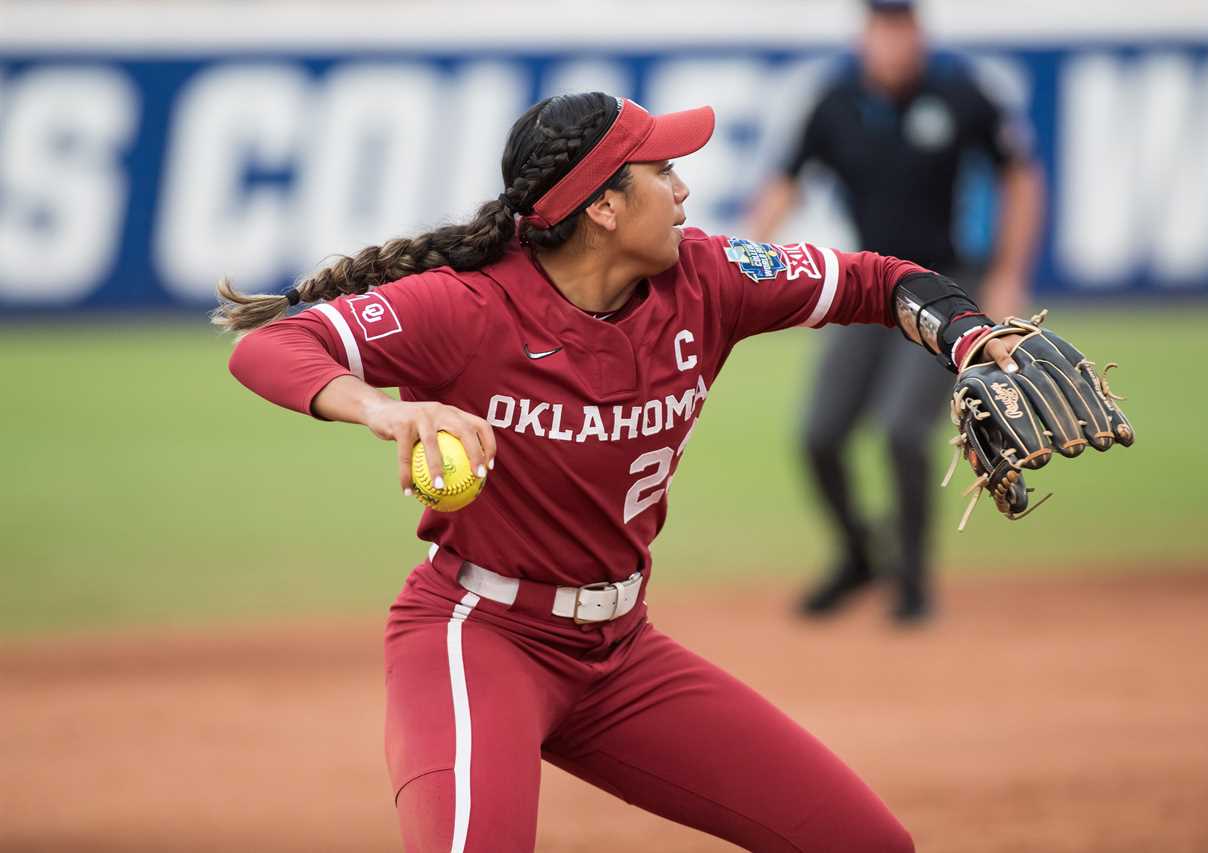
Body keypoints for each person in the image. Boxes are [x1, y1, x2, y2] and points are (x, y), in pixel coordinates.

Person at [216, 92, 1035, 853]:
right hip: (479, 639)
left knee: (869, 845)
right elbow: (270, 345)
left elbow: (875, 281)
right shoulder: (465, 307)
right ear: (602, 208)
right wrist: (383, 409)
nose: (684, 191)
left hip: (621, 655)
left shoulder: (708, 279)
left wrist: (970, 336)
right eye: (663, 173)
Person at [746, 0, 1046, 623]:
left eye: (902, 26)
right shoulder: (835, 103)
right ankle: (860, 555)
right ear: (866, 34)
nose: (892, 40)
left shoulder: (961, 94)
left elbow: (1020, 176)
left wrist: (1010, 273)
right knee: (819, 434)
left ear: (918, 32)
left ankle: (912, 583)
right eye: (881, 26)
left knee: (904, 432)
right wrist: (744, 263)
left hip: (943, 284)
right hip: (868, 288)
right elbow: (786, 182)